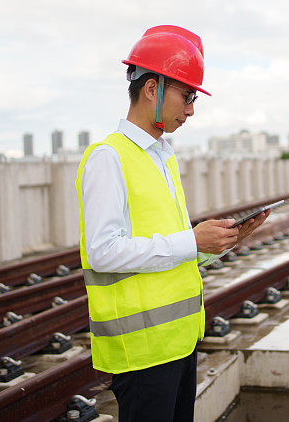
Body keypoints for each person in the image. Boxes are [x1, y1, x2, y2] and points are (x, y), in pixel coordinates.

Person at [75, 25, 269, 422]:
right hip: (143, 351)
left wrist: (219, 244)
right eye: (187, 95)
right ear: (151, 88)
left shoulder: (162, 156)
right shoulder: (108, 158)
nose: (192, 109)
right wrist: (191, 241)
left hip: (179, 342)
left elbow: (172, 250)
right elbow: (103, 251)